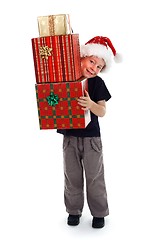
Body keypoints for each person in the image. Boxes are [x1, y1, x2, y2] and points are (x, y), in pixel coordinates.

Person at [57, 36, 119, 228]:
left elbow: (102, 111)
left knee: (94, 177)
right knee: (72, 177)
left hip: (91, 138)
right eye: (92, 61)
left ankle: (99, 213)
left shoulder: (97, 84)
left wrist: (91, 104)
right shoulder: (67, 78)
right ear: (82, 57)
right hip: (69, 137)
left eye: (99, 66)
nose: (94, 68)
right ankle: (73, 211)